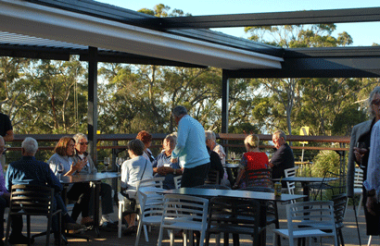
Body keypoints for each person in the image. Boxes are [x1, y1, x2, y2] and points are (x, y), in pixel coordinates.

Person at [5, 137, 85, 245]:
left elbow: (7, 187)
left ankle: (15, 234)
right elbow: (58, 186)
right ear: (37, 151)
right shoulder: (43, 167)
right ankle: (59, 235)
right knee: (54, 197)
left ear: (22, 150)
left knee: (52, 197)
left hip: (19, 206)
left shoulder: (12, 166)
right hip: (42, 205)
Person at [347, 86, 380, 235]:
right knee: (375, 228)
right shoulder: (362, 129)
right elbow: (354, 162)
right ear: (371, 105)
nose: (379, 105)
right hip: (370, 186)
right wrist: (359, 158)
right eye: (376, 102)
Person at [72, 133, 115, 228]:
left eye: (86, 143)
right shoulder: (72, 157)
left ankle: (106, 218)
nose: (85, 146)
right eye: (82, 143)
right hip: (79, 184)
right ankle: (87, 217)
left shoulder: (87, 156)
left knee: (107, 188)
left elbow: (94, 171)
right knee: (89, 190)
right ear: (75, 145)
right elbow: (72, 173)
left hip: (90, 182)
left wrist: (94, 179)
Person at [48, 136, 93, 225]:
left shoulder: (68, 158)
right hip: (60, 190)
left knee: (87, 188)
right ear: (64, 146)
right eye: (71, 146)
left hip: (69, 187)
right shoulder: (55, 159)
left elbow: (71, 176)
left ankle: (73, 221)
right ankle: (73, 221)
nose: (73, 148)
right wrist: (72, 170)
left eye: (74, 146)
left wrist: (78, 170)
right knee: (85, 189)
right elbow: (56, 180)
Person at [171, 106, 210, 188]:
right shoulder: (196, 122)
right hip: (204, 162)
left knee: (186, 194)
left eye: (174, 118)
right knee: (197, 192)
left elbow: (181, 143)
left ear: (176, 116)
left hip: (194, 164)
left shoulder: (183, 122)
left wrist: (174, 155)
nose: (175, 121)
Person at [121, 139, 153, 234]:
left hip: (135, 195)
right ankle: (133, 224)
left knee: (120, 195)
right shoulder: (149, 162)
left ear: (131, 150)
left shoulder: (127, 163)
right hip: (148, 195)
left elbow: (123, 184)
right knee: (132, 196)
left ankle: (131, 223)